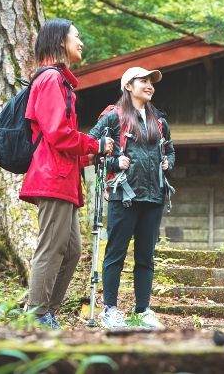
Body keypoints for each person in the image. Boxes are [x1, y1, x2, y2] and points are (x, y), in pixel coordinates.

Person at [19, 18, 113, 329]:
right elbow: (58, 134)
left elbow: (60, 141)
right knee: (53, 246)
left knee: (71, 250)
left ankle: (47, 311)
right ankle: (37, 312)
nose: (80, 42)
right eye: (76, 36)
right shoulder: (49, 80)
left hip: (62, 177)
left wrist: (93, 152)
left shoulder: (61, 82)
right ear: (61, 42)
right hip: (51, 178)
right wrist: (95, 144)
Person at [89, 66, 175, 329]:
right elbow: (92, 146)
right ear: (128, 86)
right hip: (122, 196)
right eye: (143, 81)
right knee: (115, 253)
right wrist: (115, 161)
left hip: (153, 196)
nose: (149, 86)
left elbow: (171, 151)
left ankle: (143, 311)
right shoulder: (113, 117)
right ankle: (110, 310)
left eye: (151, 82)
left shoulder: (159, 121)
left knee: (146, 256)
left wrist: (167, 164)